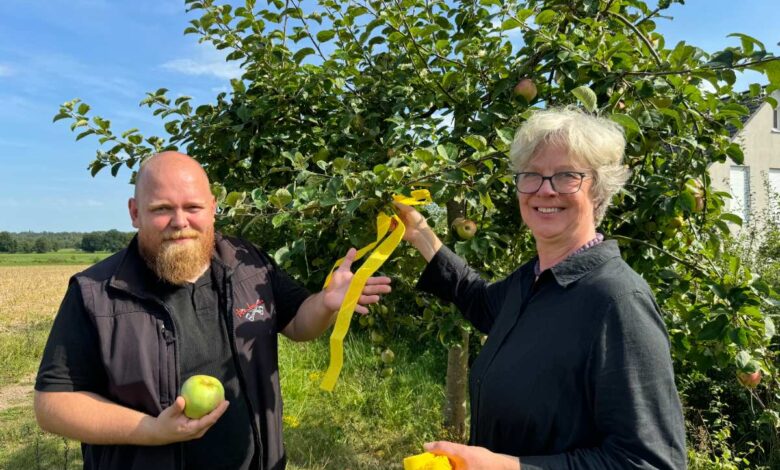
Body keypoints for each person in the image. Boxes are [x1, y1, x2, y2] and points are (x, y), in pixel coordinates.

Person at [34, 151, 392, 470]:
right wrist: (152, 431)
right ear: (134, 212)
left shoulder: (248, 265)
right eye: (161, 209)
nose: (180, 222)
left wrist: (326, 304)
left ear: (213, 207)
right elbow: (54, 404)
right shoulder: (96, 292)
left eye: (193, 208)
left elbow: (299, 323)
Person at [394, 107, 687, 469]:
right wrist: (419, 231)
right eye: (532, 175)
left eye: (566, 176)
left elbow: (650, 462)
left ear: (598, 188)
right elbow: (478, 300)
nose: (545, 190)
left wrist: (509, 467)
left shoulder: (617, 301)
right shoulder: (533, 279)